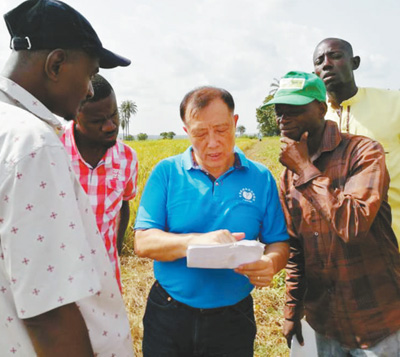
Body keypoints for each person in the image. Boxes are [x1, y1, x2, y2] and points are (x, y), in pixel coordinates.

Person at [0, 0, 134, 355]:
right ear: (56, 64)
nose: (90, 90)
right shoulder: (33, 142)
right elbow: (49, 310)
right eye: (90, 74)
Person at [134, 86, 289, 356]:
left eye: (221, 129)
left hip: (232, 318)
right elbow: (144, 242)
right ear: (186, 131)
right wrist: (197, 241)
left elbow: (278, 242)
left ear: (235, 123)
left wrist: (270, 263)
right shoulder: (167, 174)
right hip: (169, 312)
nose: (213, 142)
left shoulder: (261, 178)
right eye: (200, 133)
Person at [263, 71, 400, 356]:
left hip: (377, 321)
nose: (283, 119)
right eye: (279, 112)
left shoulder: (363, 152)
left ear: (322, 109)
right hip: (326, 323)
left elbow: (353, 225)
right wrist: (291, 311)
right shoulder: (288, 177)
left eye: (295, 110)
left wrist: (304, 169)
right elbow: (296, 251)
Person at [313, 37, 400, 248]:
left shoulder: (393, 104)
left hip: (393, 235)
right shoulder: (313, 118)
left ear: (355, 62)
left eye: (335, 56)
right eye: (319, 60)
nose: (326, 63)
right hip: (337, 246)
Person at [61, 74, 138, 291]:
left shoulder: (127, 158)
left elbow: (124, 203)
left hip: (105, 276)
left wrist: (117, 246)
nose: (110, 126)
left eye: (114, 115)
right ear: (75, 116)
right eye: (97, 121)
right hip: (57, 277)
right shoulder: (51, 151)